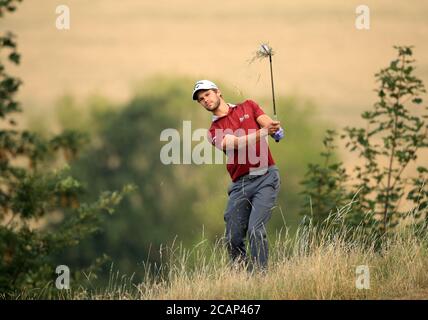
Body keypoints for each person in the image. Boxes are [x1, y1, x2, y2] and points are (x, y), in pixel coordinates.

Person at [192, 79, 284, 271]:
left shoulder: (248, 106)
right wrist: (264, 133)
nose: (205, 100)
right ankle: (243, 277)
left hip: (266, 176)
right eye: (201, 99)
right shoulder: (213, 131)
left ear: (218, 92)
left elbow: (265, 121)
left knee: (255, 229)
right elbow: (235, 143)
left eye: (207, 94)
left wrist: (275, 129)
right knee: (233, 238)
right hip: (240, 184)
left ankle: (261, 277)